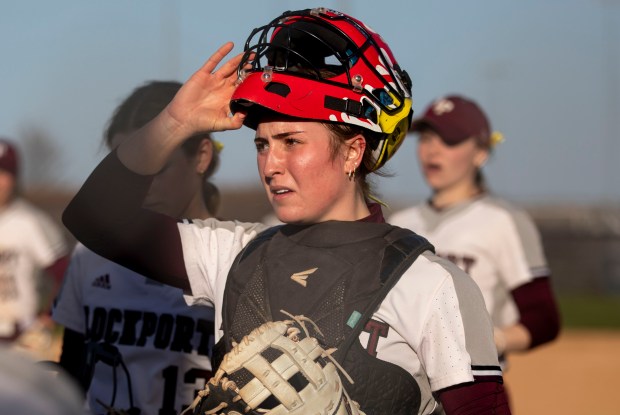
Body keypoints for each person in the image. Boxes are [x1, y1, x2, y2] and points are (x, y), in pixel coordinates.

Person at [63, 8, 511, 414]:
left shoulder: (433, 286)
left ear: (354, 150)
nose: (271, 165)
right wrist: (176, 124)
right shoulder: (234, 253)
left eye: (291, 142)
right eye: (262, 144)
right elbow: (95, 218)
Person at [52, 81, 221, 415]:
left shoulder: (236, 258)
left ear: (201, 156)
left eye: (155, 169)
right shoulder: (89, 256)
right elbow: (72, 369)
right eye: (128, 172)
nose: (139, 188)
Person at [389, 95, 561, 371]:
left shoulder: (503, 220)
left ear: (481, 152)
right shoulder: (400, 224)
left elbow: (543, 318)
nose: (432, 150)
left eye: (449, 140)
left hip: (475, 385)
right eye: (425, 138)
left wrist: (496, 340)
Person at [0, 137, 69, 358]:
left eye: (4, 173)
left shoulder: (30, 222)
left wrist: (49, 316)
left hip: (20, 339)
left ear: (15, 178)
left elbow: (67, 274)